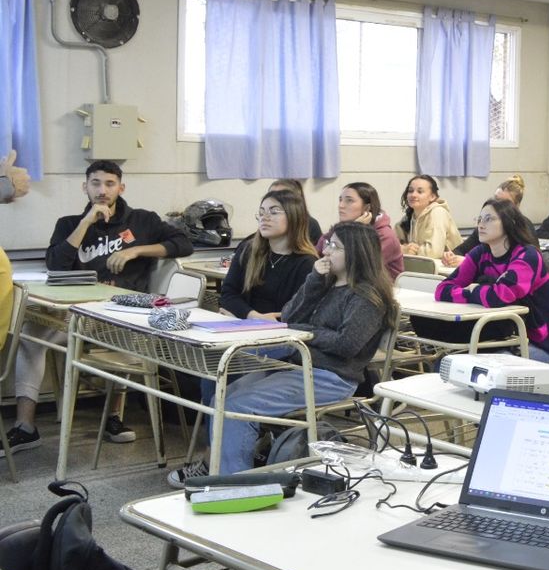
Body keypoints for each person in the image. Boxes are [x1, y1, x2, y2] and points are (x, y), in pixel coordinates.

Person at [169, 222, 400, 480]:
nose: (325, 251)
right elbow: (290, 315)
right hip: (298, 364)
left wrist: (306, 332)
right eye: (328, 244)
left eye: (335, 246)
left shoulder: (366, 297)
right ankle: (227, 468)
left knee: (237, 403)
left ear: (357, 253)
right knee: (224, 394)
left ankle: (234, 482)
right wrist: (315, 280)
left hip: (332, 377)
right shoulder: (327, 283)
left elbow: (346, 345)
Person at [9, 161, 195, 453]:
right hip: (75, 312)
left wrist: (136, 250)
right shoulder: (69, 223)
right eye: (95, 183)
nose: (102, 190)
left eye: (110, 184)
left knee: (124, 340)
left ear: (121, 188)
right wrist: (86, 223)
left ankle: (114, 418)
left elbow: (184, 243)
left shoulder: (142, 221)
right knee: (30, 335)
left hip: (120, 315)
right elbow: (55, 264)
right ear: (85, 187)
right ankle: (25, 427)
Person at [428, 199, 549, 362]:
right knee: (446, 364)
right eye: (479, 219)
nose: (481, 224)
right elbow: (443, 289)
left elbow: (498, 296)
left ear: (509, 223)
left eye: (489, 219)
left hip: (538, 343)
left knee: (479, 368)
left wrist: (475, 289)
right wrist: (471, 292)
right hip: (500, 339)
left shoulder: (527, 256)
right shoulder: (480, 253)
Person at [218, 189, 319, 321]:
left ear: (294, 216)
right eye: (261, 212)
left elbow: (298, 313)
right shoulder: (248, 250)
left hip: (280, 335)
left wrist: (243, 316)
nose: (264, 218)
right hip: (244, 326)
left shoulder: (306, 263)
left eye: (274, 212)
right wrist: (253, 317)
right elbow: (228, 294)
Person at [320, 182, 403, 279]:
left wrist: (354, 229)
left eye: (349, 201)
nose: (341, 205)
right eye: (340, 200)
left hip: (374, 290)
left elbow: (355, 267)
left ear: (367, 208)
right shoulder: (342, 229)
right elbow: (318, 251)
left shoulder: (385, 235)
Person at [447, 175, 527, 264]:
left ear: (516, 206)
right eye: (495, 199)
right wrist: (451, 257)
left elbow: (505, 265)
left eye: (504, 202)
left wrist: (468, 261)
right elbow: (462, 250)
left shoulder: (523, 228)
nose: (496, 205)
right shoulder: (484, 226)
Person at [395, 175, 461, 259]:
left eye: (420, 192)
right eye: (410, 191)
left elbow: (433, 253)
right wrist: (403, 249)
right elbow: (391, 244)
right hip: (423, 268)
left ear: (432, 197)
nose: (413, 195)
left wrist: (410, 251)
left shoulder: (438, 213)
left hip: (448, 269)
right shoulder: (410, 216)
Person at [268, 178, 322, 244]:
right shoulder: (266, 220)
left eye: (281, 196)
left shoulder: (311, 224)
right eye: (270, 196)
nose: (273, 200)